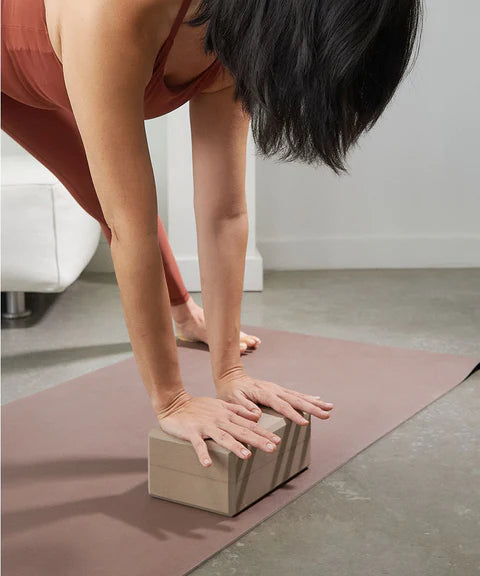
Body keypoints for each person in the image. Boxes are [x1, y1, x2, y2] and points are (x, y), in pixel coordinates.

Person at [1, 0, 422, 467]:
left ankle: (186, 318)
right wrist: (173, 402)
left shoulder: (240, 31)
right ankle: (182, 326)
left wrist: (230, 372)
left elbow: (223, 212)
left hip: (52, 64)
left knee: (118, 204)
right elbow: (130, 225)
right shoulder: (119, 13)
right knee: (116, 206)